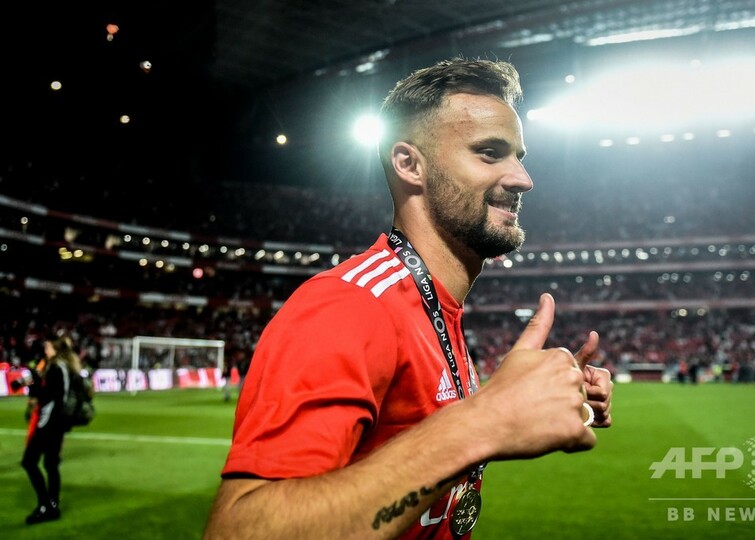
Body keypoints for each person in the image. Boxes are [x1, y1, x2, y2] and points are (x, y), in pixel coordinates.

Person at [204, 57, 614, 539]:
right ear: (409, 164)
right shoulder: (349, 306)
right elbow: (240, 530)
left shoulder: (437, 310)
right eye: (489, 153)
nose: (523, 179)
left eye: (518, 156)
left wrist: (535, 397)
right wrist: (483, 420)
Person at [18, 336, 76, 524]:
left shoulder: (56, 368)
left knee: (29, 461)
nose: (45, 350)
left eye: (48, 347)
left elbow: (50, 396)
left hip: (49, 422)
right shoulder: (62, 366)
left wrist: (34, 384)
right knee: (51, 464)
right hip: (57, 422)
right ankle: (52, 506)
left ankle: (45, 504)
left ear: (56, 349)